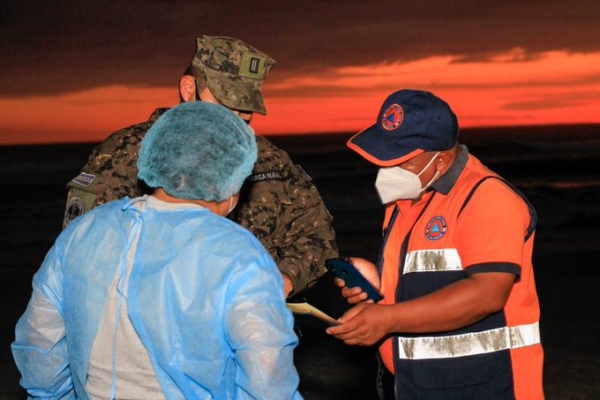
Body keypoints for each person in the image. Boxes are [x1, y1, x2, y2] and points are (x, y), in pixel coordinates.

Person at [12, 101, 302, 399]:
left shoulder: (85, 231)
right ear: (233, 177)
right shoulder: (239, 255)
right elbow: (267, 380)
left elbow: (40, 345)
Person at [63, 35, 338, 298]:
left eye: (245, 109)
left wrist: (281, 282)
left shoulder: (269, 158)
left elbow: (317, 238)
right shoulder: (126, 152)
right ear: (188, 89)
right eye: (226, 104)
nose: (237, 118)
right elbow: (83, 248)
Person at [326, 89, 544, 399]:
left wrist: (387, 319)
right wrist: (378, 283)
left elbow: (488, 293)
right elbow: (429, 278)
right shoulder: (408, 198)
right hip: (420, 384)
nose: (386, 170)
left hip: (490, 386)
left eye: (399, 162)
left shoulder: (486, 198)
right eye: (383, 158)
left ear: (441, 160)